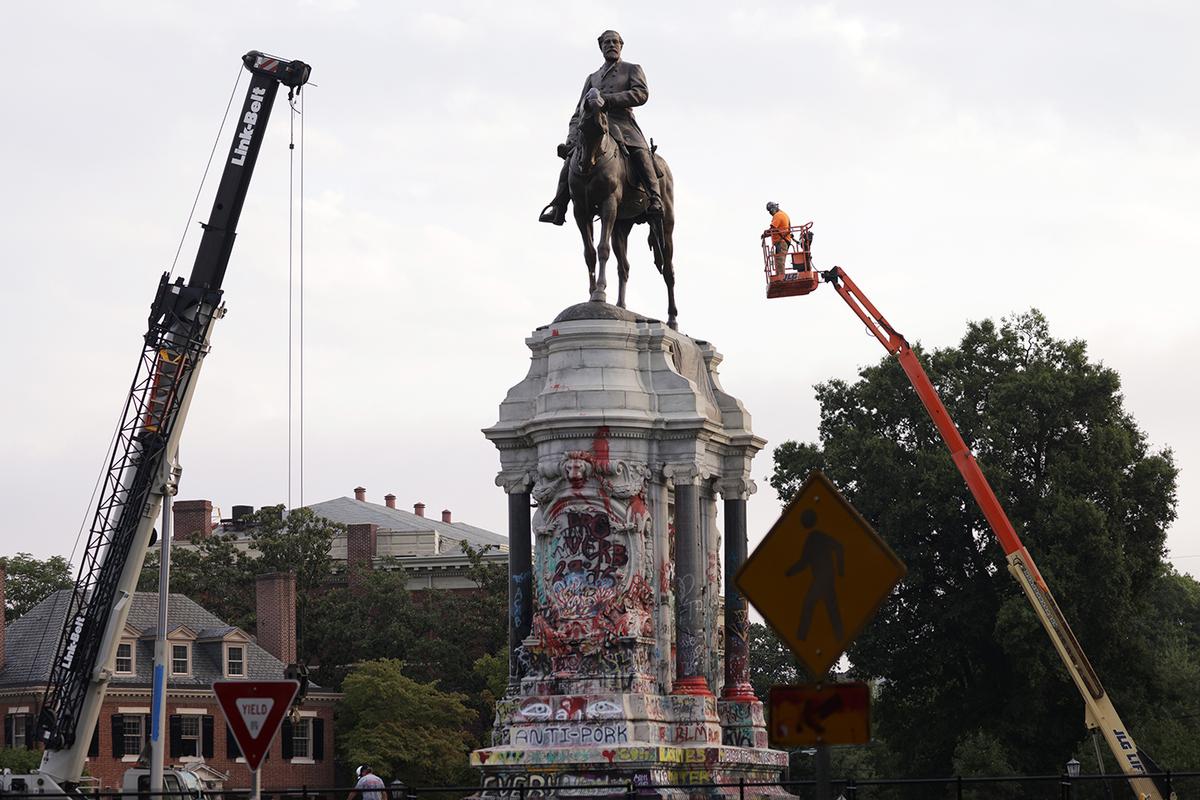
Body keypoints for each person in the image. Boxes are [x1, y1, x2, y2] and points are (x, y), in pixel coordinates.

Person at [538, 30, 664, 225]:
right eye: (607, 42)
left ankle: (655, 198)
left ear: (621, 46)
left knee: (641, 154)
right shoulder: (592, 78)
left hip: (623, 124)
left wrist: (608, 100)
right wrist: (571, 140)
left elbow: (641, 94)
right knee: (571, 162)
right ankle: (559, 206)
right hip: (594, 125)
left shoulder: (632, 69)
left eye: (615, 42)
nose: (611, 45)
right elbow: (579, 112)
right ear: (601, 47)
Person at [766, 201, 792, 276]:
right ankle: (780, 275)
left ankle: (780, 277)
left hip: (782, 242)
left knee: (780, 260)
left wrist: (765, 234)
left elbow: (773, 228)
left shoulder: (778, 215)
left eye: (771, 210)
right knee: (778, 260)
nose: (771, 213)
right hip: (783, 241)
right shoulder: (783, 214)